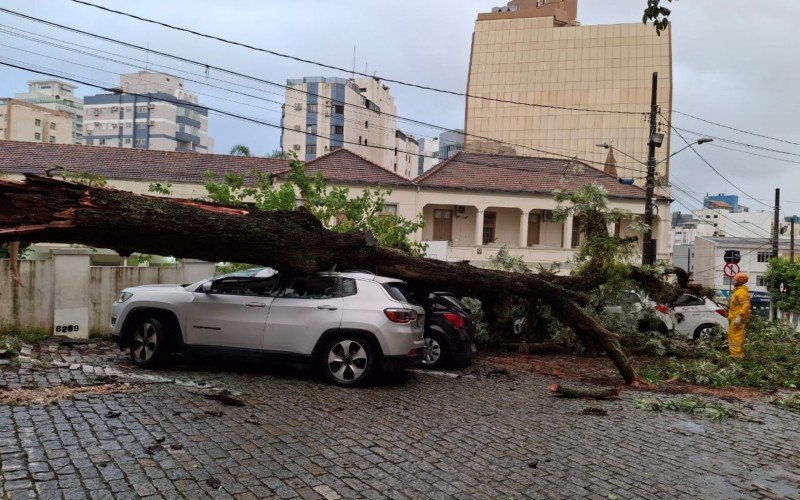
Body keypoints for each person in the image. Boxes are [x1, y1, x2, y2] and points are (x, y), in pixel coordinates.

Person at [727, 273, 751, 359]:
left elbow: (746, 305)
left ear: (740, 281)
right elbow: (737, 305)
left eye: (735, 280)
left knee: (735, 336)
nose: (733, 281)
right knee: (734, 335)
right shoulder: (738, 291)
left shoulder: (741, 292)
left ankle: (736, 356)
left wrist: (739, 316)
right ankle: (736, 354)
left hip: (738, 318)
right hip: (735, 317)